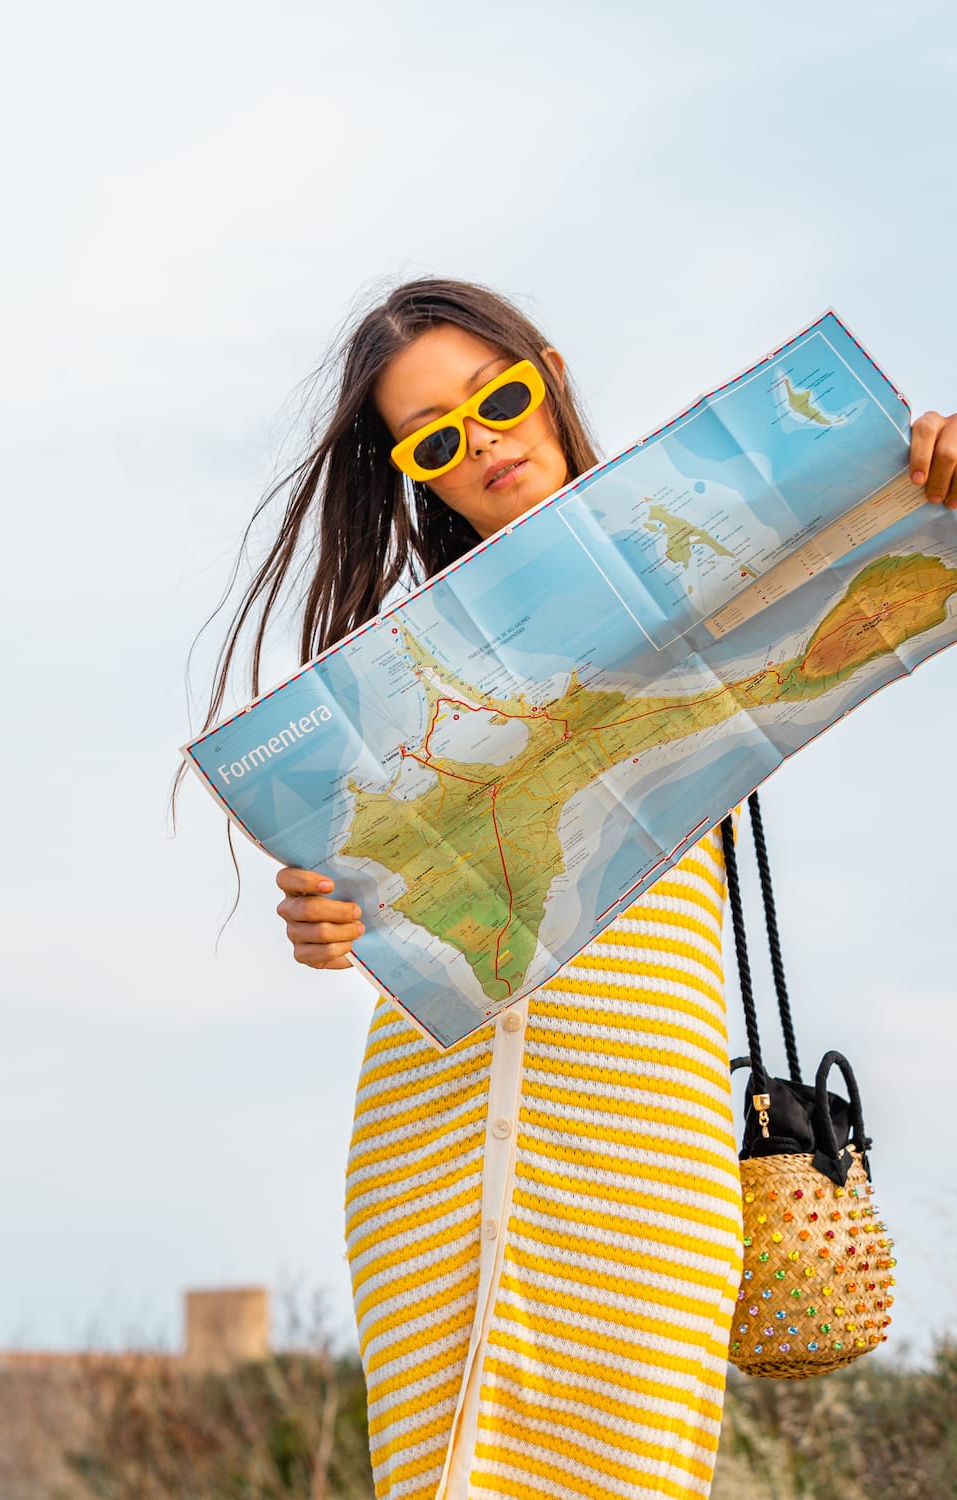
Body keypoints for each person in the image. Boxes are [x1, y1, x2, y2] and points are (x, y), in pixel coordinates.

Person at [197, 279, 954, 1499]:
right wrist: (321, 917)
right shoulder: (400, 677)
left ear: (544, 374)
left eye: (495, 399)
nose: (481, 441)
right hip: (428, 1131)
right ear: (412, 473)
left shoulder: (716, 556)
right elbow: (365, 901)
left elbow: (896, 582)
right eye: (433, 438)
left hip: (646, 1119)